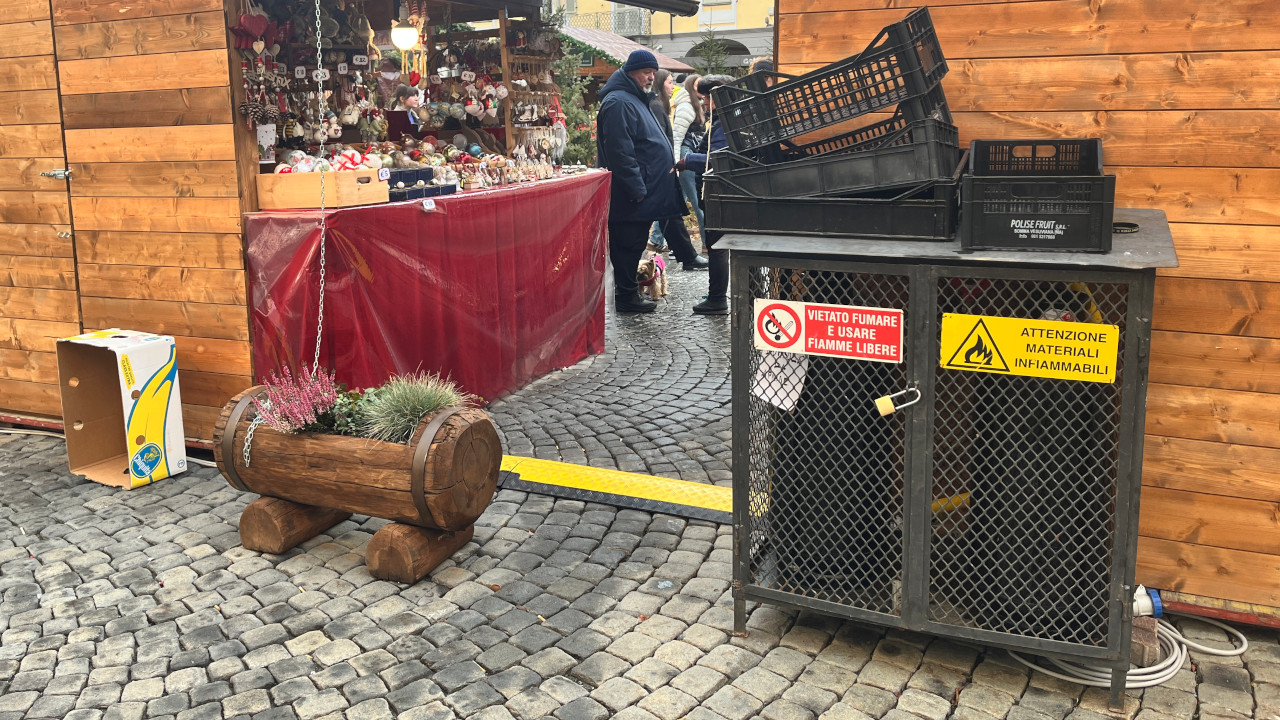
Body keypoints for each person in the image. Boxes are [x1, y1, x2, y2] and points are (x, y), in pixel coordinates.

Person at [596, 50, 697, 313]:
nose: (651, 77)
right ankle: (626, 297)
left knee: (634, 243)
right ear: (631, 72)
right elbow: (620, 152)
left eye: (653, 72)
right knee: (627, 245)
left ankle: (629, 294)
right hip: (631, 193)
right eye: (645, 72)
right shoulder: (619, 102)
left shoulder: (634, 98)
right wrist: (637, 189)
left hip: (642, 190)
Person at [676, 74, 735, 315]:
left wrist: (688, 160)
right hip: (721, 193)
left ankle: (717, 298)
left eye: (708, 98)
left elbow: (719, 157)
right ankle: (715, 296)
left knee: (716, 245)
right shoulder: (727, 119)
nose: (705, 103)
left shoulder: (725, 122)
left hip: (719, 193)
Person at [644, 69, 707, 270]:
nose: (673, 86)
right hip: (666, 165)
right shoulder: (658, 106)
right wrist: (674, 162)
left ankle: (681, 253)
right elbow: (672, 137)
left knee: (671, 210)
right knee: (677, 207)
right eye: (670, 82)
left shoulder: (660, 105)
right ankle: (691, 253)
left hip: (666, 164)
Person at [672, 73, 705, 244]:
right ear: (692, 87)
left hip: (692, 154)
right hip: (687, 156)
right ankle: (707, 244)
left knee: (680, 201)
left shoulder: (698, 104)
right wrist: (675, 162)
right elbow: (677, 137)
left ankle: (656, 239)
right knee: (698, 201)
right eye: (700, 85)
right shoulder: (686, 107)